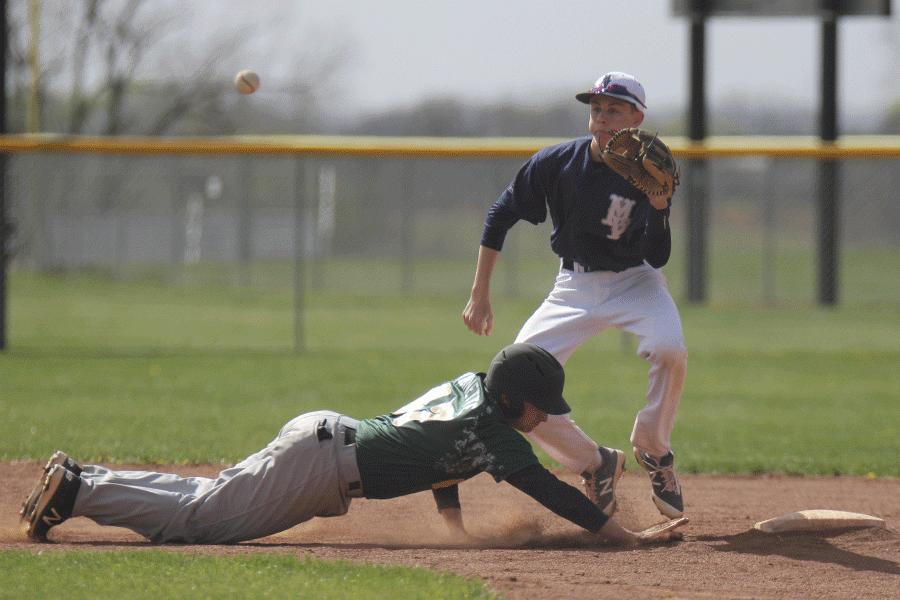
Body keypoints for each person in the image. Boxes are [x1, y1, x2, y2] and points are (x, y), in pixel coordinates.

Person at [20, 343, 685, 548]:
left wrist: (453, 527)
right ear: (512, 400)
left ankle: (82, 480)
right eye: (540, 409)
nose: (545, 419)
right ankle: (79, 490)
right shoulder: (491, 428)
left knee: (208, 497)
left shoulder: (474, 391)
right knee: (200, 523)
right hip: (323, 466)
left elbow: (441, 457)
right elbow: (540, 486)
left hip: (321, 441)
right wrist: (624, 538)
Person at [462, 72, 688, 520]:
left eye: (614, 110)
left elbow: (657, 256)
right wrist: (479, 294)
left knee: (670, 350)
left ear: (637, 119)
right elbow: (499, 215)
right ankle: (595, 463)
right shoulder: (556, 162)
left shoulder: (649, 176)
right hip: (574, 286)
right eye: (597, 109)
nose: (602, 119)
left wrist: (661, 208)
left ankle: (655, 452)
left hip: (635, 282)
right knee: (510, 387)